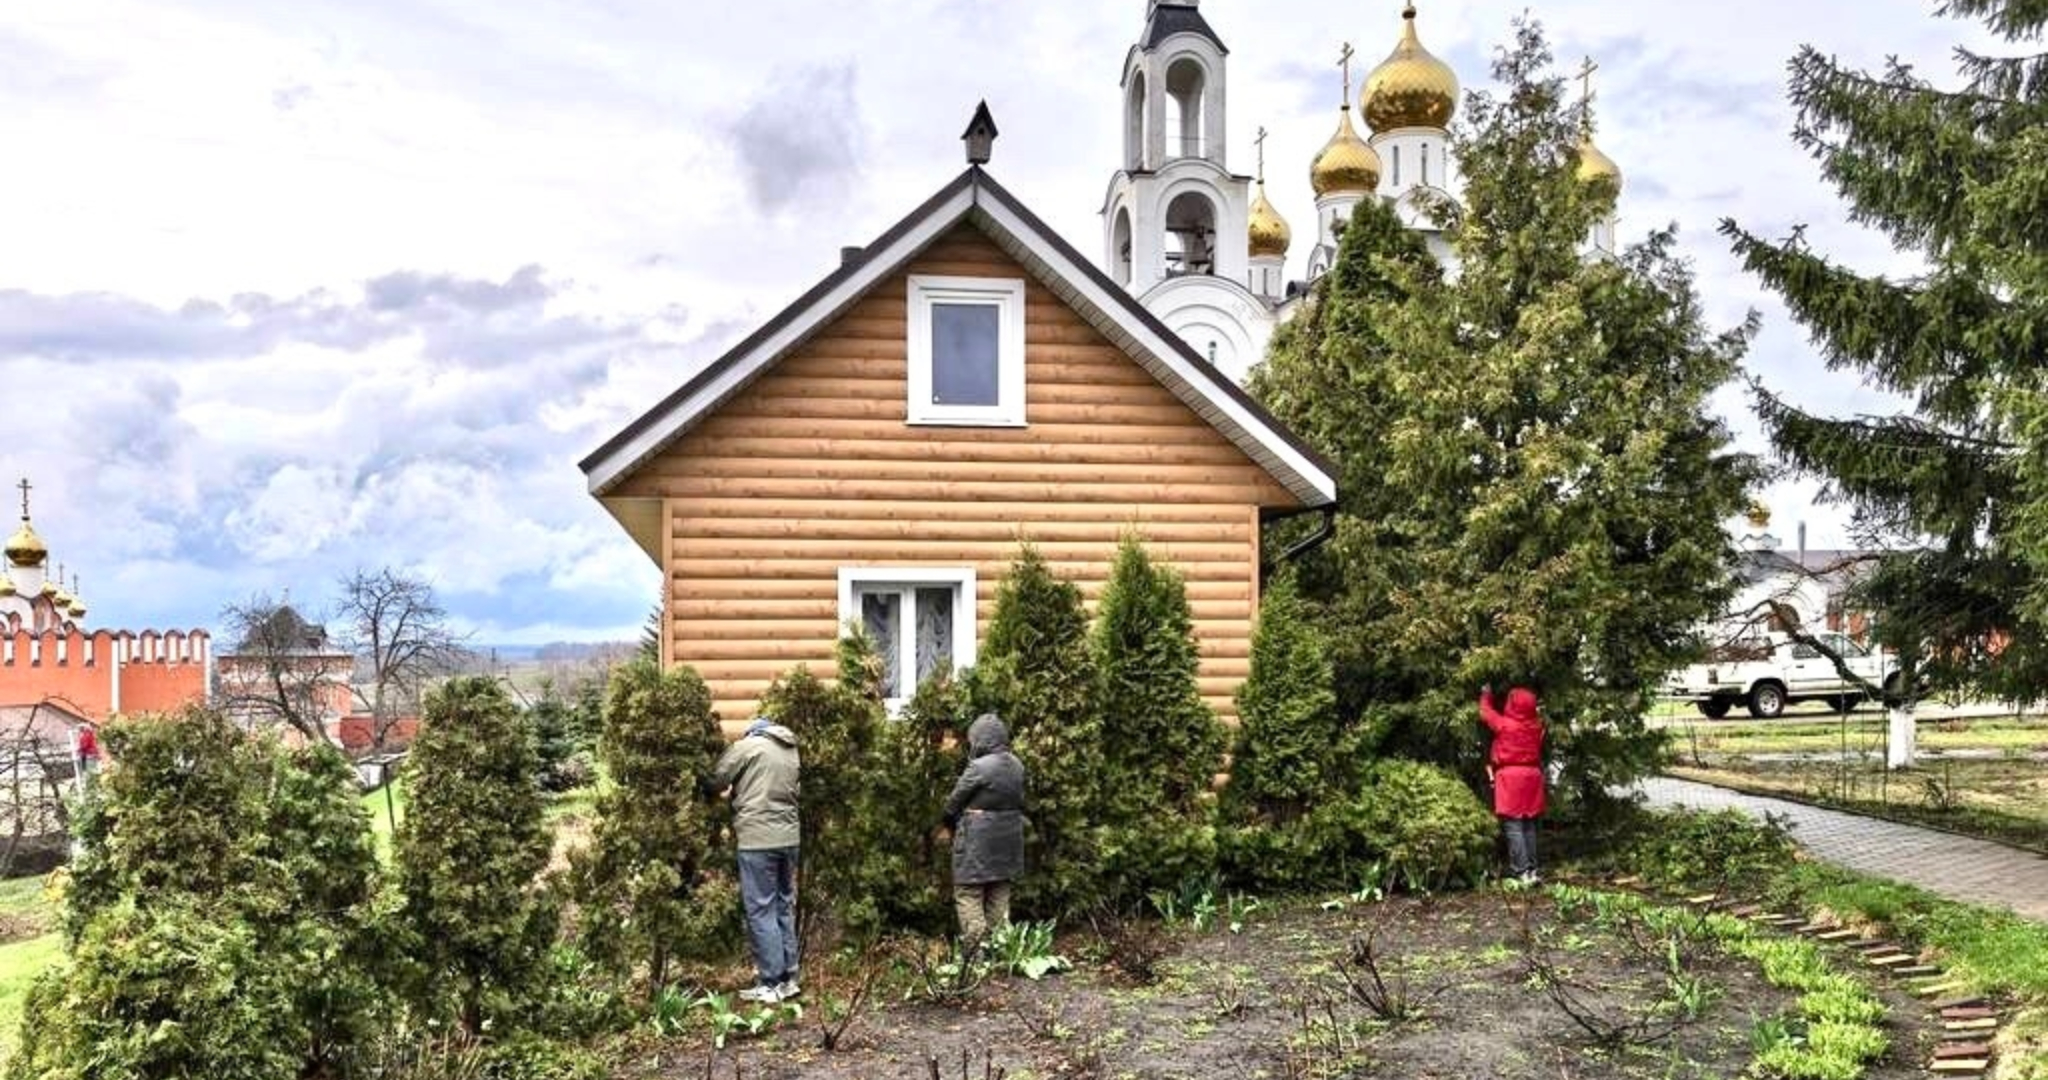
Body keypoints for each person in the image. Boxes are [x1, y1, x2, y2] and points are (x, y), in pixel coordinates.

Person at [701, 715, 802, 1003]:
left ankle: (770, 982)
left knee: (761, 908)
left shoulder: (749, 745)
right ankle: (789, 979)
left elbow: (715, 780)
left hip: (758, 840)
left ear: (753, 730)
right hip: (789, 838)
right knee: (783, 904)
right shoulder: (790, 748)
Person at [943, 712, 1027, 954]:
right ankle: (1000, 949)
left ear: (980, 739)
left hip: (977, 838)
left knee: (969, 891)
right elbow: (1018, 800)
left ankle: (975, 954)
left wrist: (952, 821)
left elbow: (953, 803)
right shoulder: (1017, 765)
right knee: (999, 889)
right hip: (1009, 837)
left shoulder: (979, 767)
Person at [1477, 684, 1546, 883]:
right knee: (1529, 825)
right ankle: (1532, 870)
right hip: (1532, 777)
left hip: (1511, 778)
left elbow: (1486, 713)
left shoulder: (1505, 724)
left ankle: (1521, 872)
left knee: (1514, 826)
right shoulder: (1537, 726)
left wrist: (1486, 694)